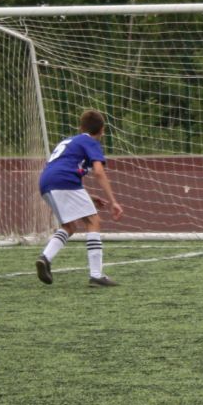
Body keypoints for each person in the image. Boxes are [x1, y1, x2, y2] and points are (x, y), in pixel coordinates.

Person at [36, 109, 125, 288]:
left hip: (46, 182)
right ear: (102, 130)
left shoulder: (69, 141)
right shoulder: (90, 141)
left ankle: (45, 258)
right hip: (64, 182)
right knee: (93, 220)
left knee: (69, 226)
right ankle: (96, 275)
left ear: (80, 127)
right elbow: (98, 172)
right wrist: (113, 201)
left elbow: (63, 169)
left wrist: (89, 197)